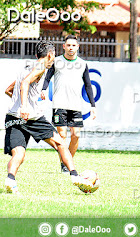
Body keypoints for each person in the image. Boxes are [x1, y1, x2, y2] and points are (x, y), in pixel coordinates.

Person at [4, 40, 92, 193]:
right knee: (61, 144)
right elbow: (24, 84)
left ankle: (10, 180)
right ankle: (75, 176)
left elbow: (9, 89)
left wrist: (22, 102)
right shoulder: (40, 67)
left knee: (19, 154)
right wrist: (25, 106)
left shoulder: (27, 67)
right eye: (54, 55)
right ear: (50, 55)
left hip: (14, 117)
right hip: (32, 117)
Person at [42, 35, 96, 173]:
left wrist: (93, 106)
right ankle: (65, 165)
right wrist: (43, 89)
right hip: (59, 104)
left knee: (76, 135)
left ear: (78, 47)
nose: (71, 48)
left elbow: (88, 85)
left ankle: (67, 162)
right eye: (68, 45)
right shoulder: (57, 61)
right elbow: (48, 77)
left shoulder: (83, 64)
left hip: (75, 105)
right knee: (62, 136)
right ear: (64, 46)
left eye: (73, 45)